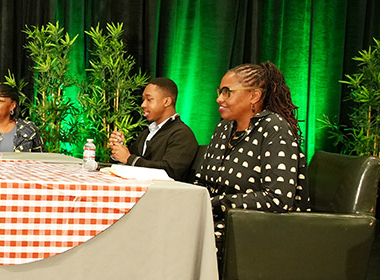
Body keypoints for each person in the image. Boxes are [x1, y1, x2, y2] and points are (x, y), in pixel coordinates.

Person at [194, 62, 307, 239]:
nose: (219, 99)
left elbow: (278, 199)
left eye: (227, 92)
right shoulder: (223, 128)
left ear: (254, 95)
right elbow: (201, 183)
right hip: (212, 220)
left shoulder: (274, 129)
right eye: (220, 92)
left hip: (255, 232)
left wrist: (217, 204)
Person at [108, 77, 198, 180]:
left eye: (149, 99)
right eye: (143, 100)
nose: (143, 105)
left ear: (167, 101)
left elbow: (170, 172)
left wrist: (128, 158)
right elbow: (131, 164)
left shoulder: (182, 134)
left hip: (163, 194)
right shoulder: (147, 133)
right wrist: (118, 150)